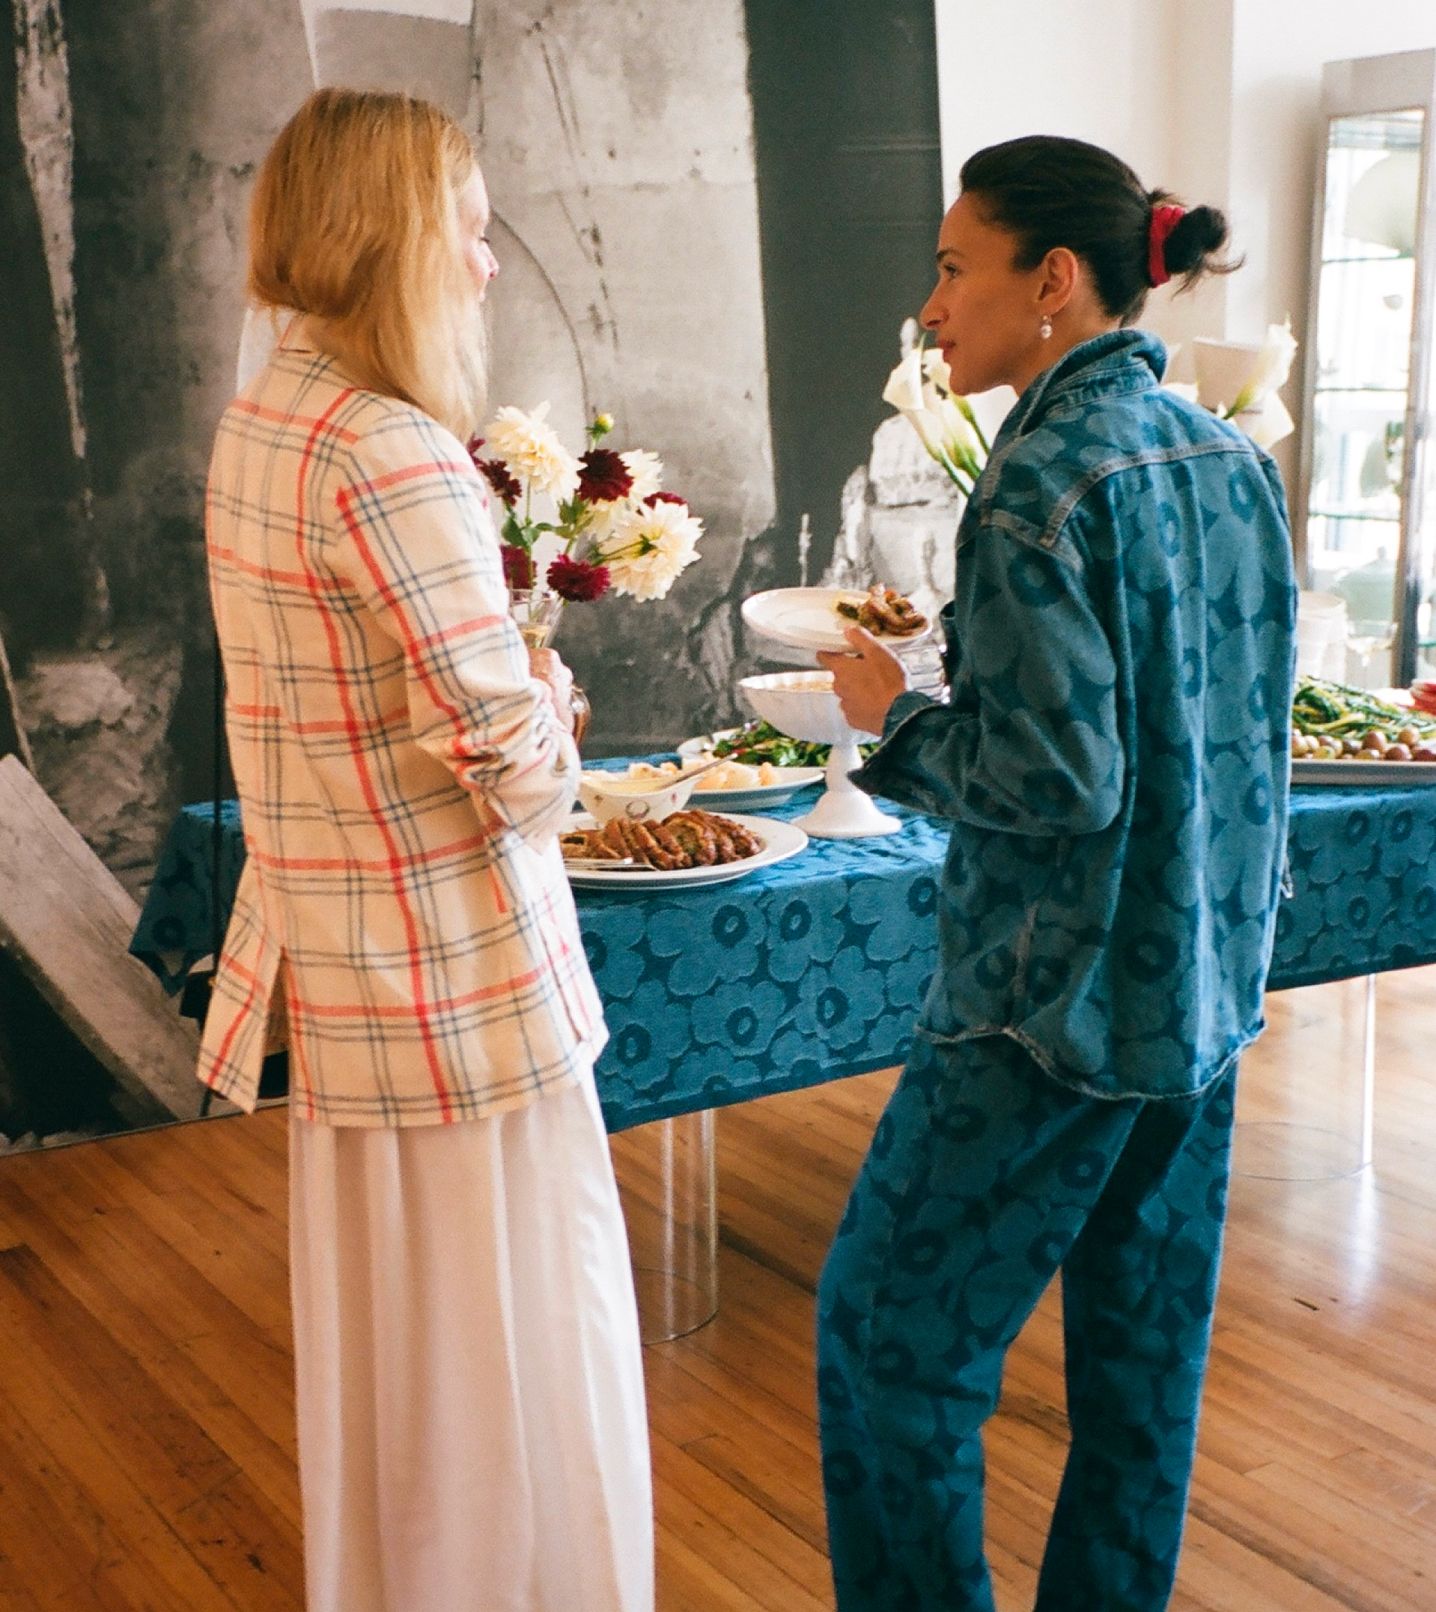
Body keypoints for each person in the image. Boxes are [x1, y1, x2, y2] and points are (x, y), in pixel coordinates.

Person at [814, 134, 1296, 1612]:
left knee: (893, 1350)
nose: (933, 303)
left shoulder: (1034, 490)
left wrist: (891, 722)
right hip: (1201, 1009)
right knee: (1141, 1384)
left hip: (1043, 1013)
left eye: (957, 267)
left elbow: (1050, 783)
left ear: (1057, 281)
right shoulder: (1232, 461)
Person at [200, 88, 652, 1612]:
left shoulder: (267, 419)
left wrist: (516, 697)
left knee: (408, 1388)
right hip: (461, 1000)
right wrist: (552, 709)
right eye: (467, 224)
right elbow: (515, 771)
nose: (489, 261)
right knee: (512, 1378)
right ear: (396, 235)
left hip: (350, 978)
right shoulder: (391, 450)